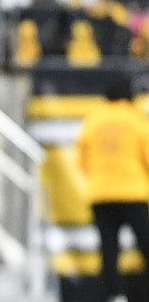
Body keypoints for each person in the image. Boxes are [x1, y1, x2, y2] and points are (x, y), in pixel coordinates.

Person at [76, 75, 149, 302]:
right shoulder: (136, 120)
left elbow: (82, 160)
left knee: (109, 249)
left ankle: (115, 295)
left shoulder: (93, 120)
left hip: (101, 194)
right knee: (146, 246)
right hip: (133, 193)